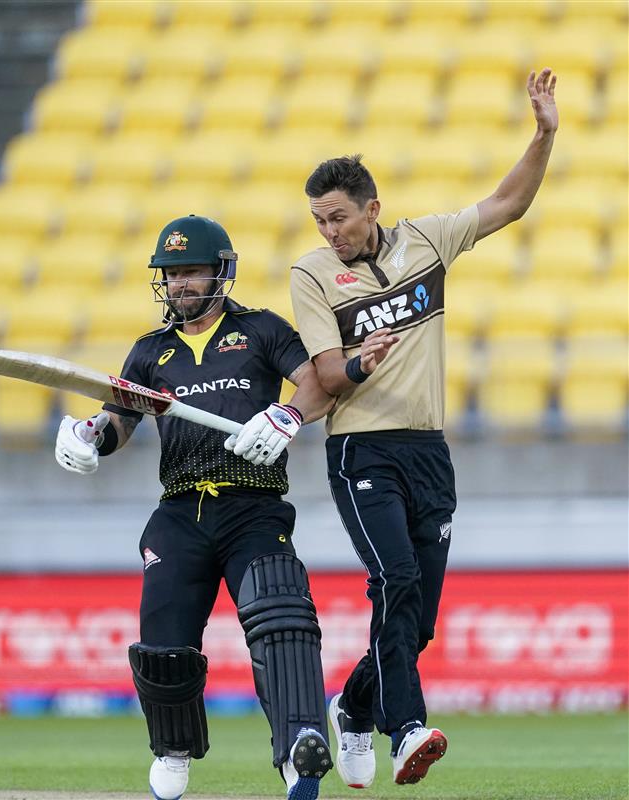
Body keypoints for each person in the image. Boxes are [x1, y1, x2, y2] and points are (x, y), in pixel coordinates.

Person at [288, 69, 559, 788]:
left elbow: (508, 203)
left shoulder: (427, 243)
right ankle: (405, 728)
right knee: (395, 579)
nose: (329, 232)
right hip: (361, 449)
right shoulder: (313, 274)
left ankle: (352, 706)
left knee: (418, 621)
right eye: (319, 220)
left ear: (372, 208)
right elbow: (327, 373)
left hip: (428, 450)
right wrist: (361, 361)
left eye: (339, 217)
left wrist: (543, 134)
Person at [54, 214, 335, 800]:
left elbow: (315, 384)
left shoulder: (260, 330)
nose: (179, 283)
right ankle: (173, 749)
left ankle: (298, 749)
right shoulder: (149, 352)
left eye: (190, 271)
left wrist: (287, 414)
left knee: (281, 616)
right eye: (171, 273)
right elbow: (119, 422)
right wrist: (88, 437)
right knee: (164, 642)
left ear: (220, 272)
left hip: (253, 504)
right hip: (181, 509)